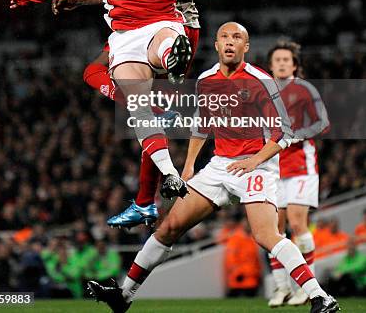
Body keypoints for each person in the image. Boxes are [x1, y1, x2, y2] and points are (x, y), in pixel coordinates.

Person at [87, 22, 339, 313]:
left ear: (246, 47)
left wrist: (255, 161)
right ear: (216, 45)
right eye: (224, 37)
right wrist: (190, 166)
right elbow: (201, 126)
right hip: (219, 166)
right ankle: (124, 295)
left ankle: (321, 297)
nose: (230, 42)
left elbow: (283, 131)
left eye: (237, 38)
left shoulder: (260, 80)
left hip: (256, 167)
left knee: (266, 235)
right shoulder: (206, 80)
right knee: (169, 227)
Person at [8, 0, 221, 205]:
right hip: (124, 38)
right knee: (138, 107)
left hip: (163, 24)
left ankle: (173, 57)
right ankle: (170, 173)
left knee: (165, 42)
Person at [51, 0, 201, 228]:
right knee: (99, 77)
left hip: (167, 28)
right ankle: (146, 200)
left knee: (144, 111)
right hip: (133, 25)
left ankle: (147, 201)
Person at [266, 41, 330, 308]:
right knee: (274, 229)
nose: (281, 63)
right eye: (277, 59)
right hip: (272, 167)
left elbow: (323, 123)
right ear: (270, 65)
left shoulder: (304, 89)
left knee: (297, 223)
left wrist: (297, 135)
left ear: (294, 64)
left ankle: (306, 287)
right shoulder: (263, 90)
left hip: (301, 167)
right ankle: (282, 288)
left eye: (286, 59)